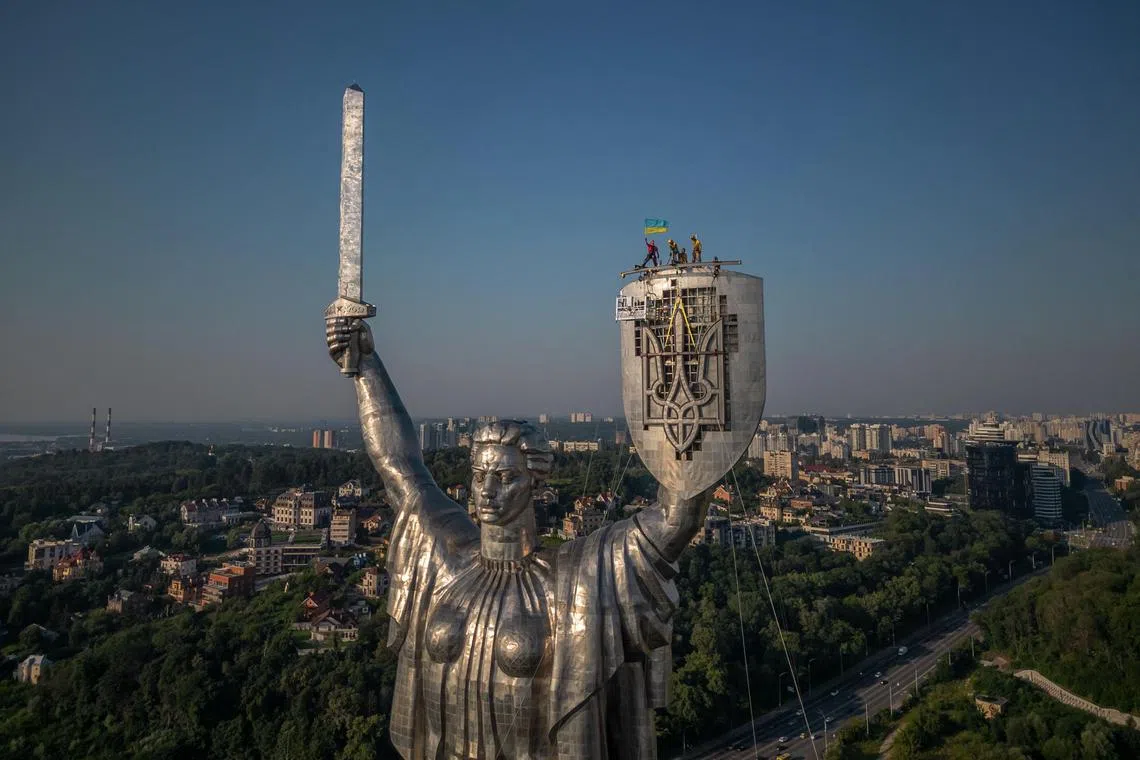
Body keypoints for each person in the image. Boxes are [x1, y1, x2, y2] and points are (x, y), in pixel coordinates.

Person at [326, 317, 712, 760]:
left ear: (537, 485)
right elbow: (399, 464)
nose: (487, 491)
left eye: (506, 477)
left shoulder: (577, 582)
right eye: (478, 476)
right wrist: (364, 362)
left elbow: (676, 519)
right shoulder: (444, 558)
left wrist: (685, 373)